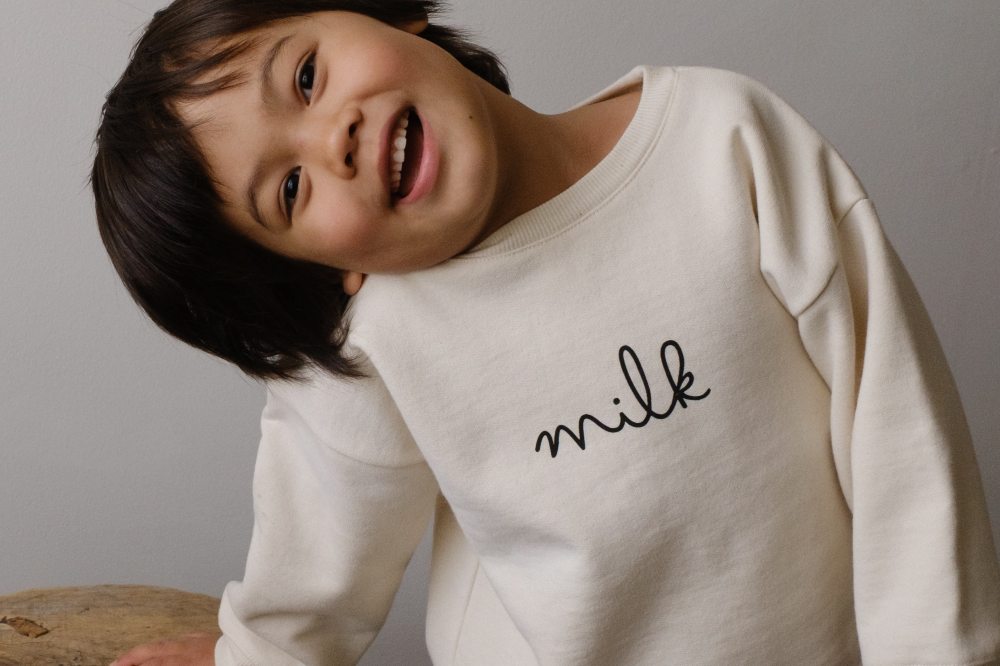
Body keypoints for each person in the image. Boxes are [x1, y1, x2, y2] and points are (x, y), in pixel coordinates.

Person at [95, 0, 1000, 664]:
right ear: (329, 271)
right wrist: (243, 655)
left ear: (391, 14)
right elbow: (314, 572)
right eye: (289, 193)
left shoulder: (724, 143)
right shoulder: (378, 334)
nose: (332, 140)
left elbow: (901, 444)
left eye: (305, 76)